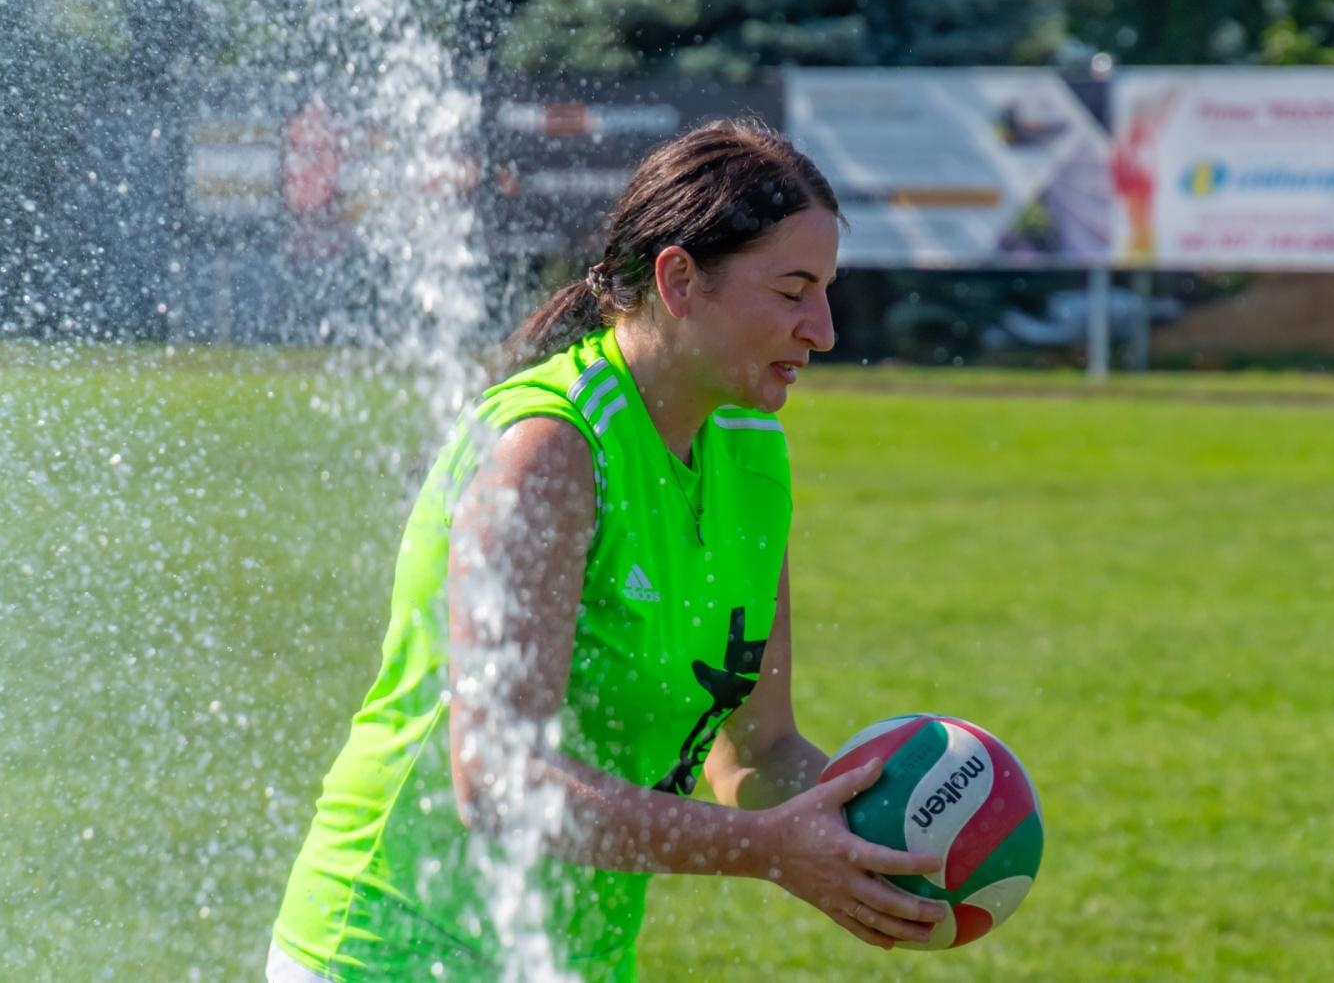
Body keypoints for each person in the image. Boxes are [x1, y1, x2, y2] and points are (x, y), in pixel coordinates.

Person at [268, 119, 949, 982]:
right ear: (678, 279)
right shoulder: (546, 451)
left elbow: (760, 749)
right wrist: (770, 849)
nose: (823, 328)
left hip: (570, 959)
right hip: (386, 952)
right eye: (792, 291)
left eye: (825, 291)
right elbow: (499, 781)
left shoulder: (751, 450)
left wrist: (885, 829)